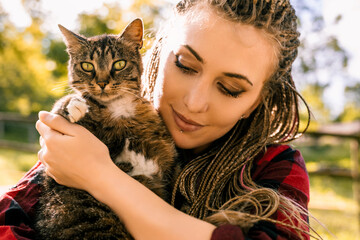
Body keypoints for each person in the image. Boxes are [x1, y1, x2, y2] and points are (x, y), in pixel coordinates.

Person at [0, 0, 315, 239]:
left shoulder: (275, 166)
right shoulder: (96, 121)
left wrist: (100, 176)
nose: (194, 103)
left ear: (255, 102)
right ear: (158, 51)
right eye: (185, 65)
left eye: (230, 89)